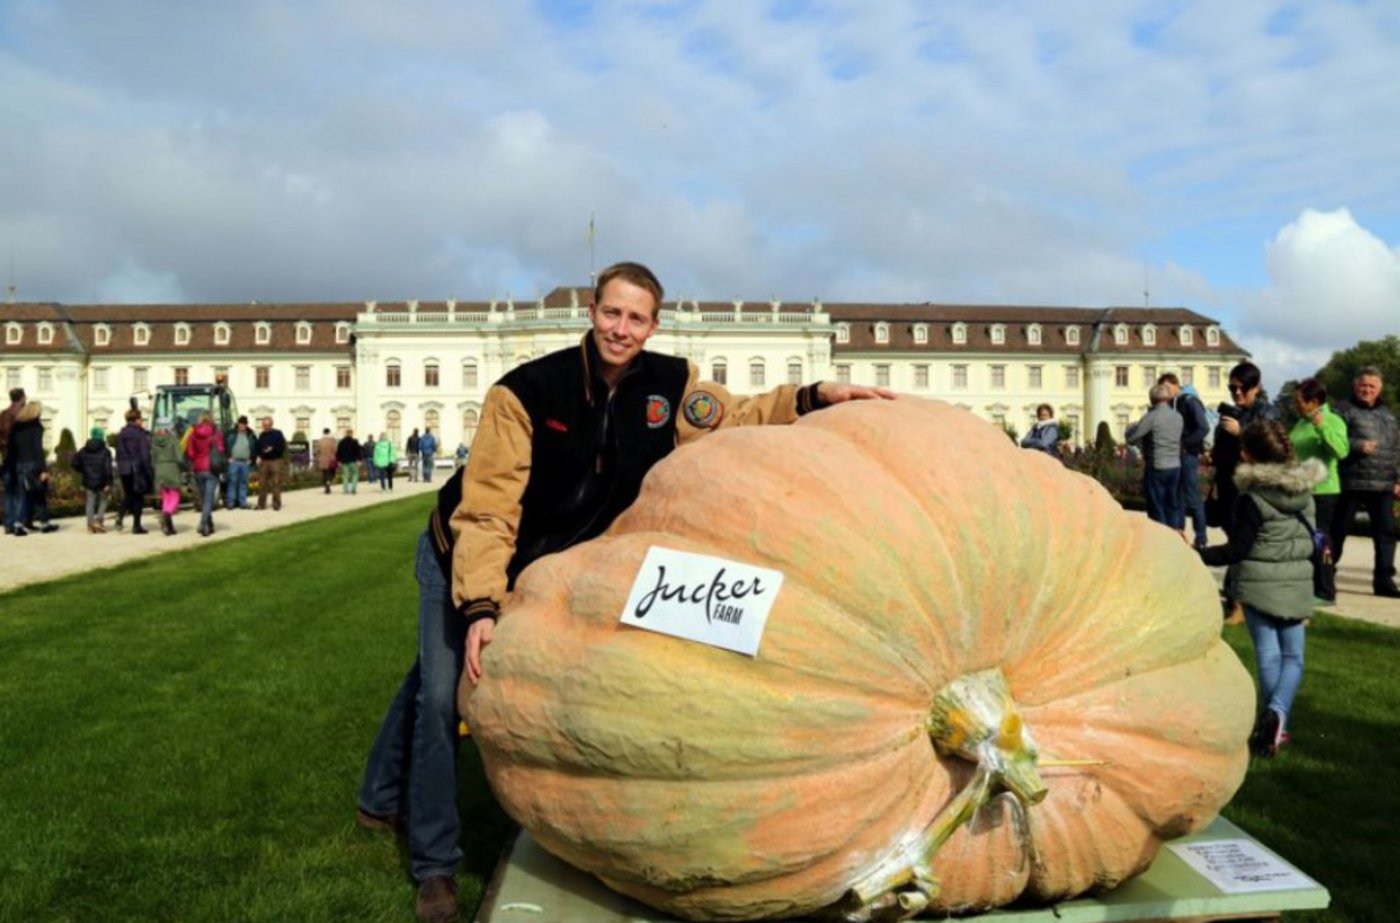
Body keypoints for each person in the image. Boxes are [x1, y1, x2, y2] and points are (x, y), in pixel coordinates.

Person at [358, 261, 894, 923]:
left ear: (653, 324)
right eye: (612, 313)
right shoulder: (525, 391)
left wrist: (813, 396)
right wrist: (479, 605)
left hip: (544, 559)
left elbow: (738, 416)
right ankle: (436, 866)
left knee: (429, 670)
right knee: (447, 696)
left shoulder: (670, 384)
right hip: (461, 554)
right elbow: (487, 513)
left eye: (636, 318)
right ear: (592, 309)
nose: (622, 328)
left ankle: (377, 797)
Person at [1198, 420, 1322, 758]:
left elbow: (1238, 549)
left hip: (1259, 585)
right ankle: (1278, 717)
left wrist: (1198, 554)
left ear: (1250, 455)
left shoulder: (1252, 498)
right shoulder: (1306, 492)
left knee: (1268, 655)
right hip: (1297, 583)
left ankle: (1272, 724)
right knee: (1294, 658)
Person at [1210, 362, 1282, 621]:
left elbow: (1272, 451)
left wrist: (1242, 433)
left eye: (1243, 388)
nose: (1237, 393)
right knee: (1240, 545)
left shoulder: (1268, 413)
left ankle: (1238, 601)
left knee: (1243, 545)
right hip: (1231, 487)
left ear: (1257, 387)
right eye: (1232, 387)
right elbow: (1221, 455)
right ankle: (1239, 599)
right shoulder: (1230, 414)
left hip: (1254, 488)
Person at [1331, 366, 1400, 597]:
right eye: (1363, 385)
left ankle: (1384, 582)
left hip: (1383, 485)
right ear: (1355, 386)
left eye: (1372, 386)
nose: (1367, 390)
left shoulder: (1389, 415)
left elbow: (1396, 449)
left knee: (1386, 534)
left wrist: (1397, 478)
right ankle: (1324, 576)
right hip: (1349, 482)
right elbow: (1331, 439)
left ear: (1379, 389)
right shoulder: (1341, 410)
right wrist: (1357, 446)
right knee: (1336, 532)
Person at [1289, 378, 1349, 602]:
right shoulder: (1300, 423)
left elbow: (1341, 451)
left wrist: (1322, 425)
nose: (1296, 405)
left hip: (1324, 491)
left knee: (1321, 541)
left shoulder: (1332, 420)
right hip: (1302, 490)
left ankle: (1325, 591)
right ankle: (1310, 586)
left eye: (1299, 401)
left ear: (1313, 401)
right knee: (1305, 541)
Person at [1160, 373, 1211, 549]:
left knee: (1192, 497)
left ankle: (1201, 538)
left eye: (1167, 388)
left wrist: (1186, 445)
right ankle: (1179, 534)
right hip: (1179, 455)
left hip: (1187, 455)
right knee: (1178, 497)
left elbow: (1203, 427)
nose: (1165, 392)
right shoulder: (1177, 402)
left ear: (1176, 385)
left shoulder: (1189, 401)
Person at [1125, 383, 1183, 529]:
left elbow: (1132, 438)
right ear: (1169, 398)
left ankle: (1162, 538)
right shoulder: (1178, 416)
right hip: (1175, 465)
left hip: (1157, 465)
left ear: (1151, 399)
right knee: (1172, 504)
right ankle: (1175, 536)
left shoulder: (1151, 417)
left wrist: (1132, 427)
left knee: (1157, 506)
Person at [1, 389, 50, 536]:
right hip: (29, 462)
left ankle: (13, 524)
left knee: (13, 493)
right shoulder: (33, 425)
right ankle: (28, 522)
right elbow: (37, 448)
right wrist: (43, 469)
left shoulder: (6, 417)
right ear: (22, 398)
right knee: (32, 493)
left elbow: (11, 444)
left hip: (12, 460)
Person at [185, 411, 226, 537]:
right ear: (211, 419)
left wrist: (197, 457)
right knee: (208, 500)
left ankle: (209, 525)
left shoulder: (193, 433)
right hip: (211, 468)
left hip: (198, 468)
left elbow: (190, 453)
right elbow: (220, 450)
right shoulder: (216, 433)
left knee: (204, 499)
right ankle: (203, 523)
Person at [115, 407, 153, 535]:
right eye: (141, 419)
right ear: (136, 420)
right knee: (138, 497)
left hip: (124, 469)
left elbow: (119, 453)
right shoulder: (140, 434)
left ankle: (120, 515)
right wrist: (148, 471)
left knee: (129, 494)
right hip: (137, 468)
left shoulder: (121, 434)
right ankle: (136, 525)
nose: (142, 422)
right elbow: (144, 455)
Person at [72, 426, 115, 534]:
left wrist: (83, 470)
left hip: (88, 480)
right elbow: (108, 468)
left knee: (90, 502)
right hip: (102, 480)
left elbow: (74, 463)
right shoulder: (106, 451)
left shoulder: (83, 450)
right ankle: (99, 521)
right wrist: (109, 482)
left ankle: (90, 525)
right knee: (104, 500)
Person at [151, 418, 186, 535]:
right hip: (171, 468)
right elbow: (180, 457)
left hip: (159, 469)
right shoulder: (172, 439)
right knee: (175, 495)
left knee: (166, 497)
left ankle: (169, 526)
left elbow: (152, 458)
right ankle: (166, 515)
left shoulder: (154, 440)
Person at [255, 416, 287, 511]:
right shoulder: (261, 435)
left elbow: (282, 446)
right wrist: (258, 456)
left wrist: (272, 448)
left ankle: (276, 504)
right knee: (262, 484)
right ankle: (261, 504)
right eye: (264, 425)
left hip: (276, 461)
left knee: (276, 483)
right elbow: (258, 447)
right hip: (264, 461)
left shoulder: (278, 433)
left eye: (267, 425)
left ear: (271, 424)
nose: (265, 426)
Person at [225, 416, 257, 510]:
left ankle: (242, 502)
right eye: (241, 424)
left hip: (245, 463)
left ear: (246, 425)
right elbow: (225, 445)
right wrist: (228, 457)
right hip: (233, 462)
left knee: (243, 483)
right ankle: (231, 503)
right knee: (232, 482)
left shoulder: (251, 434)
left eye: (244, 424)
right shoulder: (231, 433)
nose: (242, 426)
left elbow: (254, 448)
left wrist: (252, 459)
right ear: (238, 424)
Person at [337, 429, 362, 494]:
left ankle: (346, 490)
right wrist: (359, 460)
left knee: (345, 476)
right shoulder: (355, 441)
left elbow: (338, 452)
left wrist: (339, 461)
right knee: (355, 474)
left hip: (344, 461)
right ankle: (353, 488)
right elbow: (358, 451)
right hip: (353, 461)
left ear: (346, 433)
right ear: (352, 434)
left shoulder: (341, 442)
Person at [315, 428, 338, 494]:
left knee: (324, 473)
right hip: (331, 459)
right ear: (329, 432)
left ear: (323, 433)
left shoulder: (320, 441)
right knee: (332, 473)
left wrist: (319, 456)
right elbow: (335, 450)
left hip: (322, 460)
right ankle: (328, 483)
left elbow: (317, 451)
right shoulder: (333, 440)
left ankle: (326, 486)